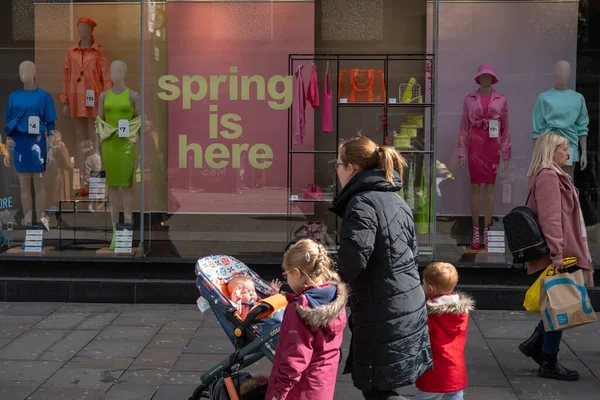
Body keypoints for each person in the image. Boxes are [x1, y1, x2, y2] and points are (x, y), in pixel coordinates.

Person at [330, 136, 432, 400]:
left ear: (351, 168)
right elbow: (412, 253)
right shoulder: (394, 199)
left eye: (338, 164)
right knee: (379, 386)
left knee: (377, 389)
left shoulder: (363, 203)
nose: (337, 170)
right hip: (403, 303)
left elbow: (353, 260)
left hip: (384, 309)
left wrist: (324, 285)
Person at [519, 132, 594, 381]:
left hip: (564, 249)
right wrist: (557, 253)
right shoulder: (549, 177)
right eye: (564, 148)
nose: (568, 152)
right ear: (551, 150)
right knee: (560, 305)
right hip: (560, 252)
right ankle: (548, 361)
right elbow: (551, 218)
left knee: (558, 303)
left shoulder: (551, 175)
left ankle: (536, 345)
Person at [265, 239, 348, 400]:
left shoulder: (299, 309)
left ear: (296, 273)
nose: (287, 279)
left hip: (298, 391)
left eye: (286, 274)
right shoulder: (334, 299)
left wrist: (278, 394)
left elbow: (294, 359)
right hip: (321, 386)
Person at [415, 262, 474, 400]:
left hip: (435, 372)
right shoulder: (461, 312)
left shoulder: (430, 313)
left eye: (423, 283)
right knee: (455, 396)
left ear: (430, 288)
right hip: (455, 370)